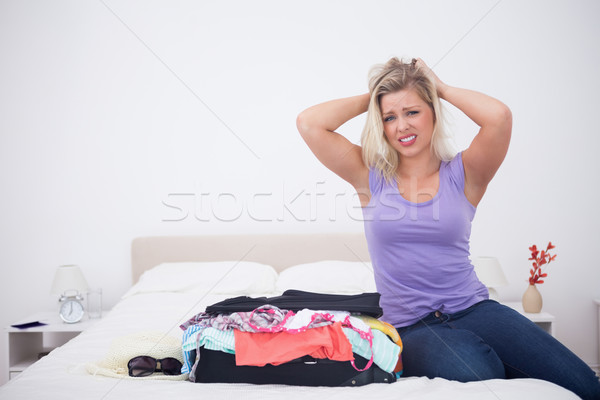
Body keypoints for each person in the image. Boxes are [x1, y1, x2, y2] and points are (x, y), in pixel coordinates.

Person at [296, 57, 600, 399]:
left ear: (433, 111)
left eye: (412, 112)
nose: (401, 126)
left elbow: (498, 118)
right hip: (412, 328)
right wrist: (372, 98)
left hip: (475, 308)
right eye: (389, 117)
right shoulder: (369, 177)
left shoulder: (465, 173)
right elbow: (310, 123)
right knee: (479, 373)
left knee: (585, 386)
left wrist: (440, 87)